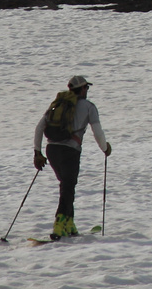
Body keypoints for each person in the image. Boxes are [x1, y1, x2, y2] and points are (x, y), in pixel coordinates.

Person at [32, 74, 112, 239]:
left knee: (66, 185)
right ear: (82, 89)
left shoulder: (58, 104)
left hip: (51, 150)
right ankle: (59, 224)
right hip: (70, 152)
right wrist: (105, 148)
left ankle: (69, 222)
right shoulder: (89, 107)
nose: (87, 90)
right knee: (68, 186)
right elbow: (98, 132)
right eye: (86, 87)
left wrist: (37, 152)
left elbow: (40, 127)